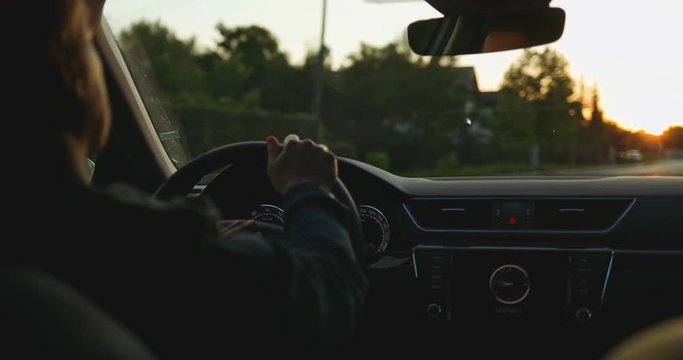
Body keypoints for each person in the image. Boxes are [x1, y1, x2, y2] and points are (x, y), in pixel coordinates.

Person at [2, 0, 365, 358]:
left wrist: (216, 251)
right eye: (89, 45)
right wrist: (305, 188)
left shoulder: (34, 232)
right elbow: (330, 296)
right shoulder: (139, 247)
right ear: (69, 68)